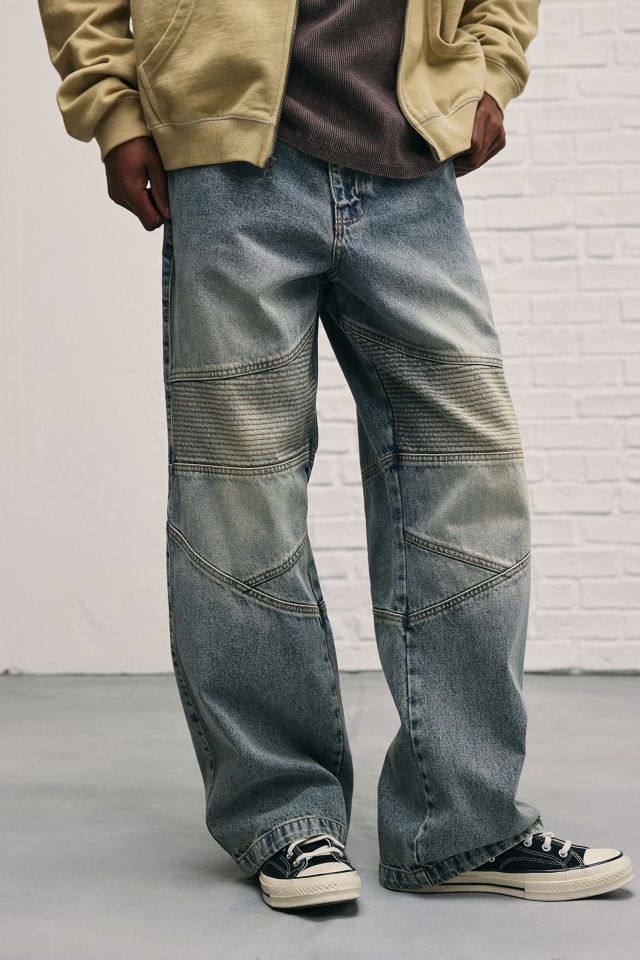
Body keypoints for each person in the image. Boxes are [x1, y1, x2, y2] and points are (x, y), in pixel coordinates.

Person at [38, 0, 633, 911]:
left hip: (410, 161)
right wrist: (114, 108)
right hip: (230, 164)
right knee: (240, 496)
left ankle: (462, 823)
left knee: (472, 481)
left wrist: (489, 65)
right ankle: (284, 817)